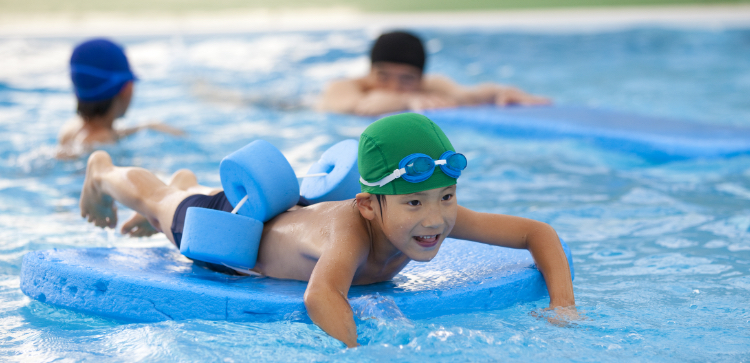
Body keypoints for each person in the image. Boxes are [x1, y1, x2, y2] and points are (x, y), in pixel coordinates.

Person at [79, 113, 575, 347]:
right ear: (368, 206)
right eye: (415, 202)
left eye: (448, 197)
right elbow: (323, 297)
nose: (435, 219)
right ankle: (104, 172)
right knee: (161, 201)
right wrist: (362, 357)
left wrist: (563, 308)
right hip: (233, 224)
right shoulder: (351, 234)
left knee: (172, 197)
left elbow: (539, 234)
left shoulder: (432, 217)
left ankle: (183, 182)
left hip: (293, 213)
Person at [318, 31, 551, 116]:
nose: (392, 86)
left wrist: (504, 91)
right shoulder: (344, 86)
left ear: (420, 79)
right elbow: (361, 107)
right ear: (370, 71)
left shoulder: (431, 86)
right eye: (383, 76)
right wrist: (407, 99)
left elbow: (469, 95)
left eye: (406, 79)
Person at [57, 38, 183, 159]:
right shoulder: (103, 146)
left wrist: (145, 126)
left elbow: (110, 134)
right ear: (127, 89)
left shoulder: (70, 130)